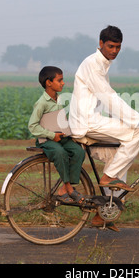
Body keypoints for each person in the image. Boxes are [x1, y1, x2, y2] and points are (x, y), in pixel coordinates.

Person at [69, 25, 139, 230]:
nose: (114, 50)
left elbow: (105, 97)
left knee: (118, 156)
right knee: (137, 131)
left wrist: (130, 119)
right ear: (100, 44)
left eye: (118, 47)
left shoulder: (101, 64)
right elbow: (109, 98)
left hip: (91, 118)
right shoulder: (93, 64)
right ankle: (108, 178)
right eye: (111, 46)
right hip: (87, 121)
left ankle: (106, 213)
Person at [28, 66, 86, 204]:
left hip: (61, 138)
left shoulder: (59, 100)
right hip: (47, 140)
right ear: (49, 83)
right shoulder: (42, 103)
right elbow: (32, 126)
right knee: (60, 153)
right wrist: (51, 135)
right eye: (59, 80)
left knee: (78, 151)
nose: (63, 83)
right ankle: (69, 189)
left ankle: (65, 189)